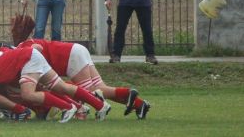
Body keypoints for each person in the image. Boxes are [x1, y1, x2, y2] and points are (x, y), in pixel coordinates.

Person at [0, 46, 111, 126]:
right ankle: (100, 105)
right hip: (31, 55)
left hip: (28, 59)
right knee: (61, 87)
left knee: (27, 94)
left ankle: (67, 107)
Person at [18, 38, 151, 119]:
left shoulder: (21, 48)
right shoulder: (22, 45)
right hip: (77, 50)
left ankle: (128, 93)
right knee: (100, 88)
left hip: (70, 57)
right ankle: (140, 104)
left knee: (89, 92)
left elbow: (37, 48)